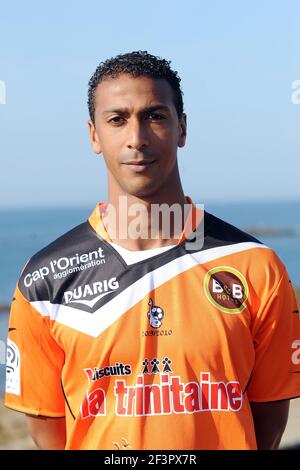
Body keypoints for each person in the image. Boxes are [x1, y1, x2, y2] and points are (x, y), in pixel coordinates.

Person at [5, 51, 300, 450]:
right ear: (94, 135)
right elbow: (47, 431)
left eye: (155, 116)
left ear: (182, 128)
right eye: (117, 119)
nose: (136, 138)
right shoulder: (45, 279)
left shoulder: (255, 266)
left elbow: (268, 420)